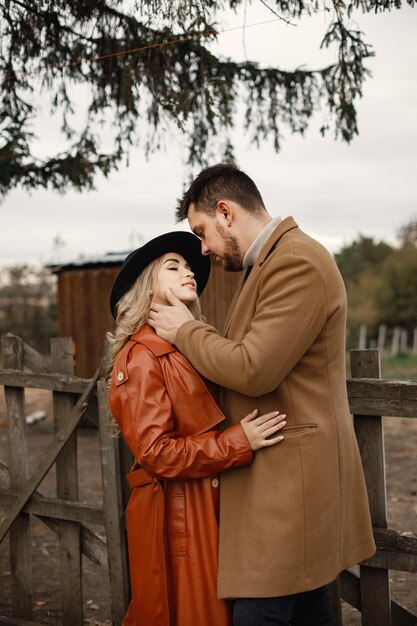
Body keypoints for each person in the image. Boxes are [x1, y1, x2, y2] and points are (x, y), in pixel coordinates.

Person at [147, 165, 376, 626]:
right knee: (309, 611)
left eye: (202, 232)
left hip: (291, 486)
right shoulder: (267, 263)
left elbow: (254, 369)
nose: (204, 249)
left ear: (226, 213)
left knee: (260, 612)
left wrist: (186, 330)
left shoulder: (297, 261)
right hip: (279, 481)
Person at [105, 231, 287, 626]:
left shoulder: (191, 345)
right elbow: (155, 453)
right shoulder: (139, 356)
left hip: (214, 506)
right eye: (173, 267)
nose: (188, 271)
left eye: (188, 266)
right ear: (145, 288)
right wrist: (238, 442)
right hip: (180, 518)